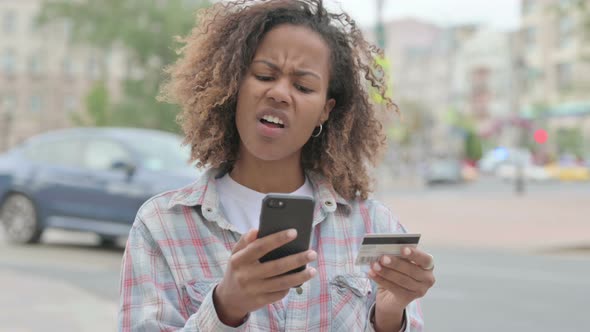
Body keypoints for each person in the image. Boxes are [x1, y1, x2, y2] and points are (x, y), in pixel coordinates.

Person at [118, 0, 436, 331]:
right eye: (265, 75)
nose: (280, 93)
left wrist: (389, 315)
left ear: (325, 110)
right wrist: (226, 307)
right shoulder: (161, 225)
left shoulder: (372, 223)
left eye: (303, 86)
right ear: (234, 85)